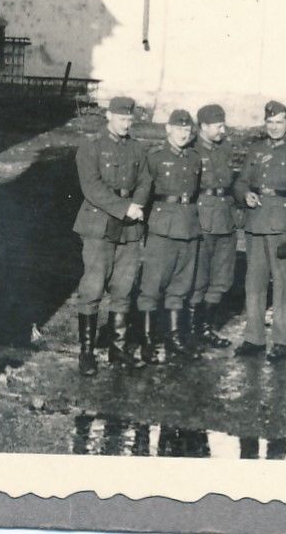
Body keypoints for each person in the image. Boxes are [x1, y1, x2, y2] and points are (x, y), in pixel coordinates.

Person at [72, 96, 151, 376]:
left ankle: (117, 349)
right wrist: (124, 208)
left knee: (123, 288)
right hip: (99, 224)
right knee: (92, 288)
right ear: (109, 116)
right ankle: (87, 353)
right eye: (120, 118)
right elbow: (91, 188)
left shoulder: (137, 149)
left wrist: (137, 205)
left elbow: (146, 181)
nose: (125, 124)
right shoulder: (91, 147)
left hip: (130, 227)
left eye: (129, 119)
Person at [232, 100, 286, 363]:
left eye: (279, 122)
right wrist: (245, 194)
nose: (274, 127)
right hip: (256, 223)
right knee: (253, 283)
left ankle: (281, 340)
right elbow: (241, 181)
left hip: (281, 226)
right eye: (270, 122)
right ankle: (254, 337)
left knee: (282, 284)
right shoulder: (255, 150)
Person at [138, 109, 203, 364]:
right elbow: (143, 191)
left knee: (180, 285)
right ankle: (146, 340)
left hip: (188, 225)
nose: (183, 134)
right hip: (162, 226)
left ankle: (173, 338)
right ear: (168, 129)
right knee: (152, 286)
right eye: (178, 129)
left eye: (187, 130)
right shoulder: (154, 156)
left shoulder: (195, 158)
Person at [187, 103, 238, 349]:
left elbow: (231, 181)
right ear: (203, 126)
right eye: (218, 126)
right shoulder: (191, 149)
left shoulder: (225, 148)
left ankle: (206, 328)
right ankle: (191, 331)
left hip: (226, 218)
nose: (222, 129)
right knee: (199, 277)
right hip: (202, 218)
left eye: (223, 124)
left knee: (222, 277)